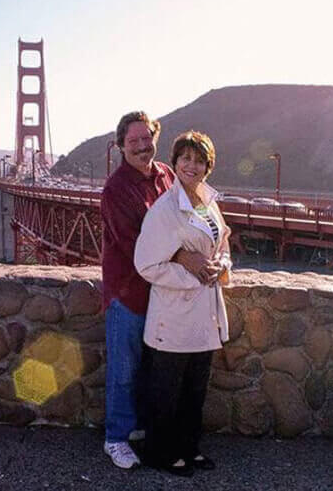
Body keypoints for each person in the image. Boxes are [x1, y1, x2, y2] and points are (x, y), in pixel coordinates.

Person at [100, 111, 210, 470]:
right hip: (128, 293)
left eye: (147, 139)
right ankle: (116, 439)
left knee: (152, 369)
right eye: (133, 141)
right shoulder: (115, 189)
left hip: (161, 294)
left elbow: (183, 217)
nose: (142, 146)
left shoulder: (165, 174)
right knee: (124, 370)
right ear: (121, 145)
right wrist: (182, 256)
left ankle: (142, 431)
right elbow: (135, 244)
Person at [134, 131, 231, 477]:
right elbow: (145, 263)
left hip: (204, 315)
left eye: (199, 160)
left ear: (208, 167)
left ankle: (189, 448)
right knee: (167, 392)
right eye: (185, 158)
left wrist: (221, 266)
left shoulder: (209, 203)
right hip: (173, 316)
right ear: (174, 163)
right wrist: (190, 274)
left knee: (194, 390)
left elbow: (222, 246)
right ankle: (160, 453)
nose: (192, 165)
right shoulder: (164, 210)